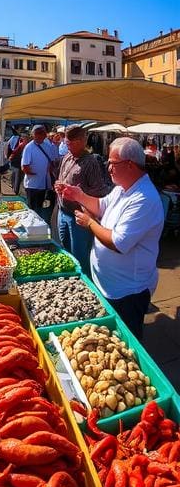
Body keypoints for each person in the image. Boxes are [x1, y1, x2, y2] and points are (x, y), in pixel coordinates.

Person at [56, 137, 164, 339]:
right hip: (109, 285)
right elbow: (101, 206)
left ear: (130, 165)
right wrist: (78, 195)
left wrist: (90, 223)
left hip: (127, 292)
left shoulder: (143, 198)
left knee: (127, 342)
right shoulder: (122, 188)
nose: (108, 168)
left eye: (112, 163)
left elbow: (118, 243)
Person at [54, 125, 109, 273]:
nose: (67, 146)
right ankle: (70, 277)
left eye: (70, 143)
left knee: (79, 256)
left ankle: (83, 283)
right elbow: (61, 178)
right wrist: (59, 185)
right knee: (65, 251)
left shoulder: (90, 162)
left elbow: (100, 192)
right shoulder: (67, 157)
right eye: (66, 143)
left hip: (78, 217)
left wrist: (77, 193)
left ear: (81, 142)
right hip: (63, 212)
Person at [21, 124, 59, 214]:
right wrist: (34, 175)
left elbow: (52, 161)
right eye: (38, 133)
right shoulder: (29, 147)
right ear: (33, 135)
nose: (40, 135)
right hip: (32, 185)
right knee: (32, 209)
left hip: (43, 184)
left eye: (42, 133)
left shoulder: (48, 146)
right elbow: (24, 166)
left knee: (39, 208)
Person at [8, 129, 28, 195]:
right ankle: (16, 191)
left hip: (19, 160)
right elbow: (13, 150)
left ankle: (15, 188)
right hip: (17, 160)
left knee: (16, 174)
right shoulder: (17, 141)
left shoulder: (15, 139)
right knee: (17, 174)